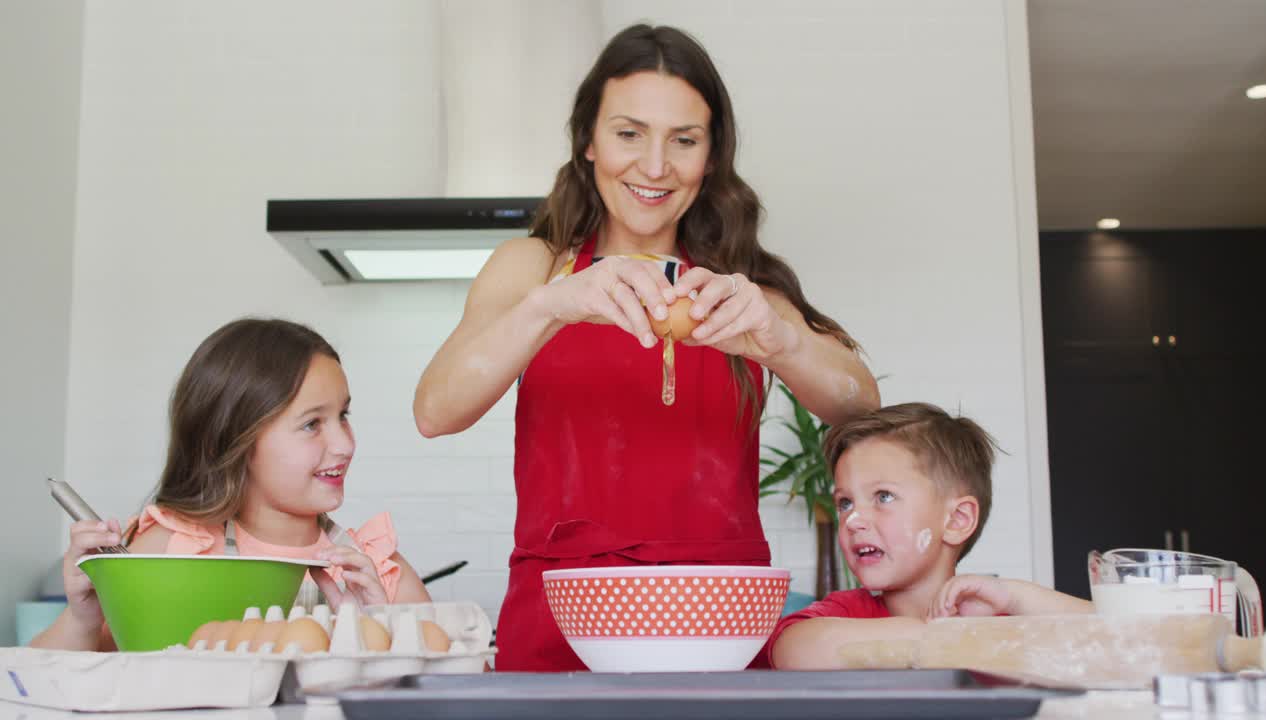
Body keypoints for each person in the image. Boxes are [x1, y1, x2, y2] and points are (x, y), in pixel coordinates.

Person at [414, 24, 880, 671]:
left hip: (719, 617)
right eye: (628, 133)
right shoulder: (533, 268)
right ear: (588, 141)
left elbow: (859, 403)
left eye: (683, 141)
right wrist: (554, 304)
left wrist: (781, 340)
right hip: (564, 619)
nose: (655, 166)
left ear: (711, 156)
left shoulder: (744, 285)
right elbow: (436, 410)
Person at [32, 318, 431, 651]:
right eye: (312, 424)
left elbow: (462, 691)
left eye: (343, 415)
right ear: (236, 439)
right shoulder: (172, 550)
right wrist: (84, 620)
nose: (345, 443)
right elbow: (34, 683)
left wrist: (385, 633)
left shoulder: (377, 570)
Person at [767, 403, 1093, 669]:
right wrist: (943, 638)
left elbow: (1120, 634)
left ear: (956, 520)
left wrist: (1015, 596)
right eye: (845, 502)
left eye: (883, 496)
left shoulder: (994, 614)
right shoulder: (845, 612)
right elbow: (791, 650)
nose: (853, 520)